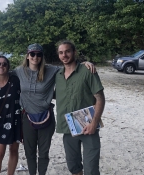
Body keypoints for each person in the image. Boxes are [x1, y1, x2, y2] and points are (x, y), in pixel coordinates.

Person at [13, 43, 96, 175]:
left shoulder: (51, 70)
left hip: (46, 117)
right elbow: (2, 74)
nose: (35, 57)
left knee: (43, 152)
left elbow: (70, 67)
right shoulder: (18, 71)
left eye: (38, 54)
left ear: (42, 56)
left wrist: (85, 63)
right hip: (27, 117)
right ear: (27, 56)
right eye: (32, 54)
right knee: (29, 152)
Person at [55, 40, 105, 175]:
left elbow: (100, 98)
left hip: (88, 127)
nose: (64, 55)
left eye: (67, 51)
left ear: (74, 52)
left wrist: (94, 123)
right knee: (74, 167)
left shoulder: (87, 71)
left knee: (91, 169)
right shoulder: (57, 75)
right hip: (68, 128)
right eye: (61, 52)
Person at [0, 56, 22, 175]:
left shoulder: (15, 80)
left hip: (16, 120)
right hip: (1, 122)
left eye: (4, 64)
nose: (1, 66)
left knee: (13, 150)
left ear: (8, 67)